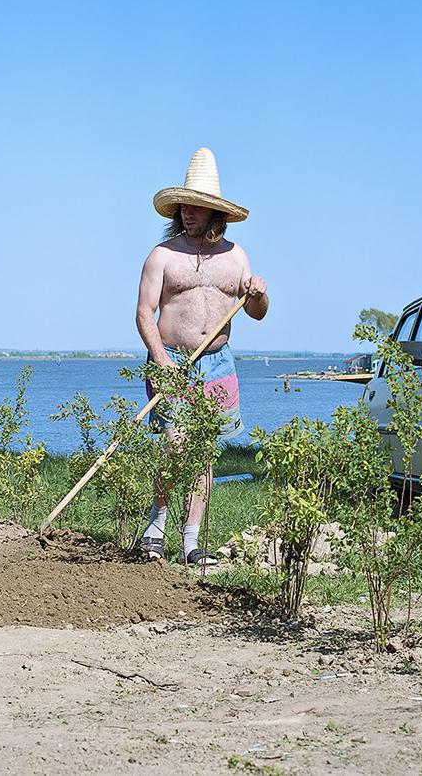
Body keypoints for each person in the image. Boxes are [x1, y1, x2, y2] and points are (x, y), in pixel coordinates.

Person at [135, 147, 268, 565]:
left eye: (195, 206)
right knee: (178, 448)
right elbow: (144, 314)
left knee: (204, 453)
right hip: (172, 360)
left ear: (215, 212)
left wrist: (259, 294)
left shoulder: (236, 256)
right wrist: (161, 360)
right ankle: (155, 528)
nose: (186, 212)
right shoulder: (163, 255)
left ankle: (190, 543)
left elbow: (257, 312)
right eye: (183, 206)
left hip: (218, 364)